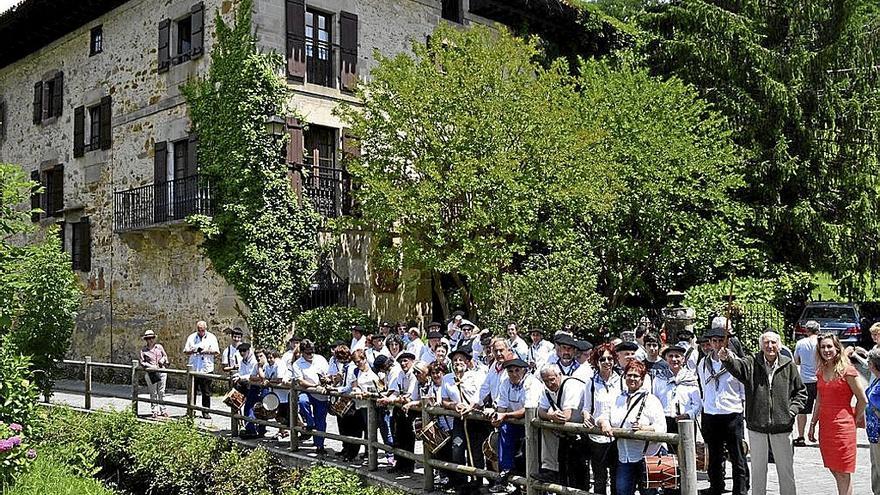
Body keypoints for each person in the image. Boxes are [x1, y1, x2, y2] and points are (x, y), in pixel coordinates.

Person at [719, 331, 806, 495]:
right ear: (761, 345)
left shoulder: (788, 364)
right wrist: (727, 359)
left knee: (786, 472)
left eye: (773, 342)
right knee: (759, 472)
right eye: (766, 343)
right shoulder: (752, 362)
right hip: (757, 427)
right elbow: (738, 368)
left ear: (779, 345)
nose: (770, 346)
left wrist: (791, 411)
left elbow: (801, 393)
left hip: (782, 427)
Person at [808, 333, 868, 495]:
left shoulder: (847, 370)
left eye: (829, 346)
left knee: (843, 472)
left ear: (837, 348)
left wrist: (855, 418)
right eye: (822, 347)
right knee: (834, 468)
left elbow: (862, 399)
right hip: (826, 427)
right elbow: (819, 400)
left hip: (843, 428)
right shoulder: (821, 370)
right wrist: (812, 424)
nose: (826, 350)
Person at [596, 360, 666, 495]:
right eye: (629, 375)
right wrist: (604, 423)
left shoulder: (651, 400)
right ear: (624, 376)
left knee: (648, 493)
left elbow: (661, 427)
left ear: (642, 378)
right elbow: (602, 415)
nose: (632, 378)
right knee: (622, 490)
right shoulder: (617, 398)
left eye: (636, 376)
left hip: (648, 456)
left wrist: (644, 428)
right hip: (624, 456)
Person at [697, 325, 748, 495]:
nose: (717, 344)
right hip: (711, 413)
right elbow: (703, 386)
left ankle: (740, 489)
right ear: (709, 343)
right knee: (714, 455)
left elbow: (743, 389)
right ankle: (716, 486)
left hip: (731, 412)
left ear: (726, 342)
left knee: (737, 455)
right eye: (714, 341)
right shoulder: (704, 363)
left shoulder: (736, 362)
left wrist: (742, 410)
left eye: (721, 341)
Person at [489, 358, 541, 494]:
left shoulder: (532, 383)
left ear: (524, 370)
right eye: (510, 371)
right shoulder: (505, 382)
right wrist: (498, 418)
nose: (513, 374)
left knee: (527, 455)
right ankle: (505, 471)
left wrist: (505, 415)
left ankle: (528, 484)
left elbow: (528, 409)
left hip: (532, 424)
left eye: (517, 370)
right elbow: (502, 405)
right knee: (503, 429)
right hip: (513, 422)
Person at [440, 344, 487, 492]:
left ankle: (477, 482)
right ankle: (460, 481)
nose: (458, 362)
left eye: (461, 359)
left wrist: (470, 406)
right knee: (457, 448)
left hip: (475, 420)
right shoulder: (447, 379)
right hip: (459, 421)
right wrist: (454, 406)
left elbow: (481, 396)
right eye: (455, 360)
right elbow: (444, 400)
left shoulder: (476, 376)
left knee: (475, 451)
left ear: (467, 362)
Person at [532, 364, 585, 485]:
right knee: (546, 427)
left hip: (583, 431)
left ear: (559, 375)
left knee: (578, 475)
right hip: (567, 431)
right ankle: (549, 470)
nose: (550, 384)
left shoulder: (571, 385)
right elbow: (540, 411)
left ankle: (552, 471)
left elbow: (566, 416)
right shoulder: (546, 388)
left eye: (552, 380)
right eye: (545, 381)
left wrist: (552, 417)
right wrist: (551, 416)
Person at [583, 343, 621, 495]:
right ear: (596, 361)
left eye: (610, 358)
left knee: (616, 476)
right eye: (602, 359)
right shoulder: (591, 383)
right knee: (599, 478)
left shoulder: (622, 381)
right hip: (597, 436)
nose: (607, 362)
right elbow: (586, 407)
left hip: (617, 435)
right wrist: (586, 415)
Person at [379, 351, 418, 473]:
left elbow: (410, 395)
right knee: (398, 436)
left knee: (408, 438)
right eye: (401, 361)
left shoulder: (414, 374)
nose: (403, 363)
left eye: (406, 361)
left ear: (412, 361)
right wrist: (388, 399)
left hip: (411, 409)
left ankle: (408, 466)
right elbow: (396, 391)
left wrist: (394, 399)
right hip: (400, 407)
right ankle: (399, 464)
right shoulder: (400, 374)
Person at [291, 339, 331, 455]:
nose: (311, 355)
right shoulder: (297, 364)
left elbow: (328, 374)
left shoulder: (321, 359)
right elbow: (300, 381)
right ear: (302, 353)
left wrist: (327, 379)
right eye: (308, 353)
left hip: (320, 394)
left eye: (312, 351)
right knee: (302, 402)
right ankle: (309, 422)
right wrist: (314, 385)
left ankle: (320, 445)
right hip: (307, 391)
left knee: (321, 420)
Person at [652, 345, 701, 435]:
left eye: (677, 356)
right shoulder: (659, 378)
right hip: (665, 420)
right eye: (671, 356)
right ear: (666, 359)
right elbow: (654, 401)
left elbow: (697, 404)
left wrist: (687, 415)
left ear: (683, 359)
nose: (674, 359)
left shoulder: (691, 378)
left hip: (686, 421)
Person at [182, 320, 220, 419]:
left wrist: (205, 351)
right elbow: (185, 351)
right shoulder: (191, 337)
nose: (201, 332)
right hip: (194, 368)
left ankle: (206, 411)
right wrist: (194, 350)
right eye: (199, 330)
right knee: (192, 391)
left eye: (202, 330)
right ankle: (191, 410)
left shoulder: (212, 337)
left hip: (206, 368)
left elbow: (217, 351)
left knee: (206, 392)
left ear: (206, 329)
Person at [793, 320, 820, 446]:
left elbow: (796, 361)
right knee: (822, 408)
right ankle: (820, 434)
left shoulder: (800, 343)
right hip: (820, 379)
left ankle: (800, 436)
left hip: (805, 380)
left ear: (806, 330)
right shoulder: (821, 343)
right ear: (818, 330)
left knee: (802, 410)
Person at [233, 343, 266, 438]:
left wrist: (245, 377)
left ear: (248, 351)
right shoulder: (242, 361)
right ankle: (250, 429)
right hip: (250, 385)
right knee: (248, 407)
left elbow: (258, 377)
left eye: (244, 351)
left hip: (259, 387)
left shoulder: (255, 361)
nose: (242, 353)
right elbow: (249, 375)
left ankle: (260, 430)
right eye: (240, 351)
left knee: (261, 409)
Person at [139, 329, 169, 418]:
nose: (151, 340)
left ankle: (163, 409)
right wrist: (151, 366)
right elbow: (142, 362)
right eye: (148, 338)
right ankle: (154, 410)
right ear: (146, 340)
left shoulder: (159, 347)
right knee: (153, 392)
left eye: (152, 338)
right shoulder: (144, 350)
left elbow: (165, 356)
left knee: (161, 391)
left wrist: (162, 360)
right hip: (151, 372)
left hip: (162, 370)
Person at [863, 347, 880, 495]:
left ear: (873, 365)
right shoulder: (877, 381)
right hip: (874, 434)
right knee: (876, 468)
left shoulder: (878, 387)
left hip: (879, 434)